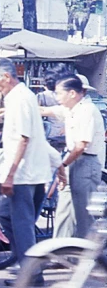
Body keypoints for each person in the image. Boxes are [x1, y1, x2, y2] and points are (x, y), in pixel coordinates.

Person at [0, 58, 50, 287]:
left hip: (24, 174)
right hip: (31, 171)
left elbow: (23, 139)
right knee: (5, 215)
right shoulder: (22, 97)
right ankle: (28, 262)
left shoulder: (19, 99)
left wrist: (11, 175)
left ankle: (31, 273)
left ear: (6, 77)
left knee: (22, 224)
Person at [39, 74, 105, 238]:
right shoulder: (71, 109)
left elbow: (81, 146)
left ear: (72, 93)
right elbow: (44, 110)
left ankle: (85, 255)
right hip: (73, 160)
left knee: (82, 214)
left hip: (85, 163)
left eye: (60, 93)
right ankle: (59, 250)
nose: (57, 97)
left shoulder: (87, 110)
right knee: (64, 209)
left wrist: (63, 165)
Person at [36, 72, 65, 138]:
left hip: (50, 131)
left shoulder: (41, 95)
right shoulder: (63, 94)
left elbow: (36, 112)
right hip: (64, 130)